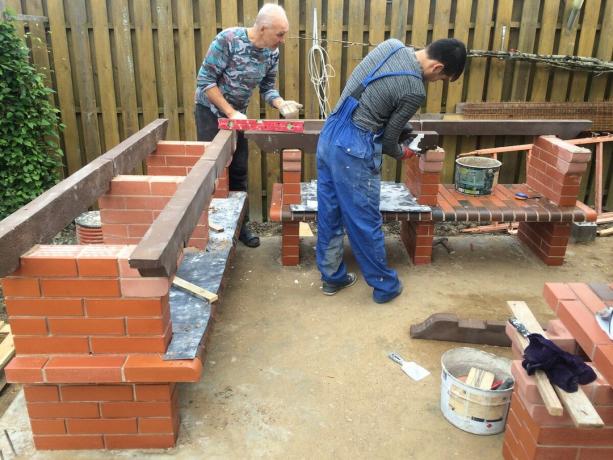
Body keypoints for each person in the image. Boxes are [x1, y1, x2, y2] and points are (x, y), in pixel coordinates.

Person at [316, 38, 466, 303]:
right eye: (442, 79)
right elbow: (388, 143)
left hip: (329, 134)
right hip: (354, 147)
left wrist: (403, 131)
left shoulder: (391, 46)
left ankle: (332, 277)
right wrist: (406, 152)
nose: (436, 83)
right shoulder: (414, 88)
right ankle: (384, 286)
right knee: (364, 220)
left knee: (330, 211)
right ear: (437, 67)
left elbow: (376, 98)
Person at [195, 3, 302, 248]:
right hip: (209, 112)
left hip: (238, 116)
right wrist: (230, 112)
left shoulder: (272, 52)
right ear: (263, 28)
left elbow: (267, 87)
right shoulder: (228, 40)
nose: (283, 40)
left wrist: (280, 102)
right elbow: (205, 81)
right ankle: (207, 230)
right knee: (212, 173)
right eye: (280, 34)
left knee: (239, 171)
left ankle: (241, 227)